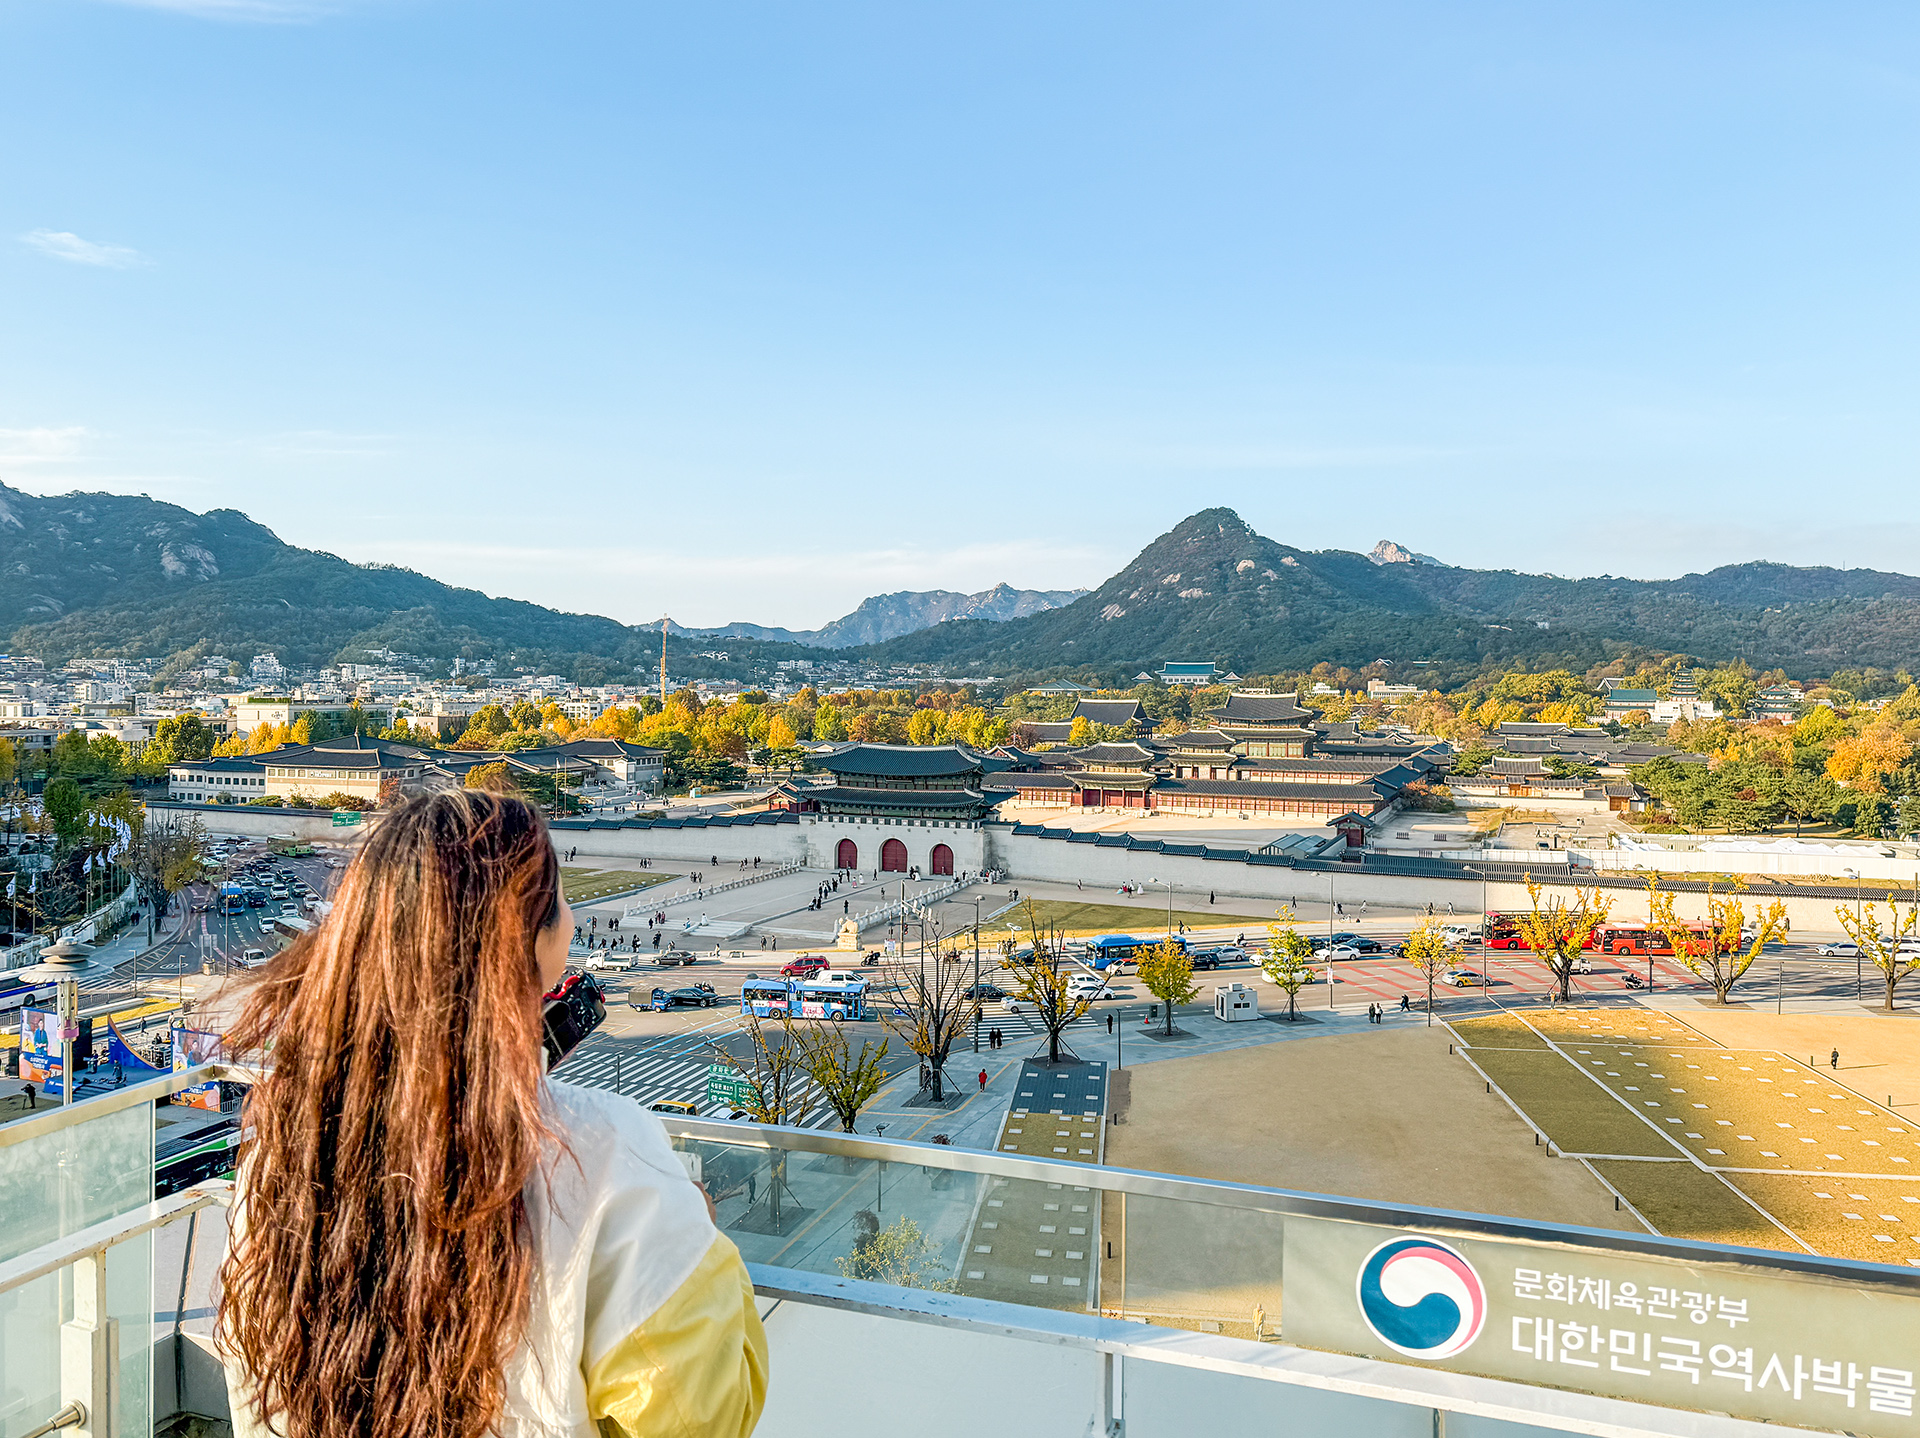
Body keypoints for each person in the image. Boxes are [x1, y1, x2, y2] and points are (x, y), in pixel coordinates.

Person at [216, 791, 767, 1438]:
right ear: (528, 946)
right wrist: (697, 1236)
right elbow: (702, 1414)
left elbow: (258, 1387)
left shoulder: (286, 1148)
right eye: (556, 901)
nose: (571, 915)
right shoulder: (613, 1156)